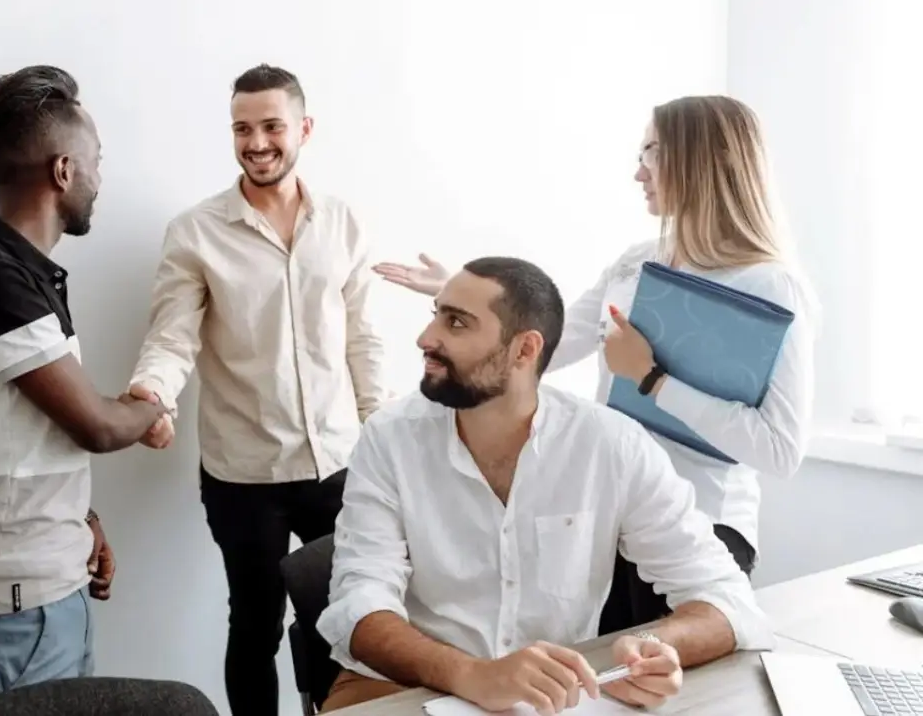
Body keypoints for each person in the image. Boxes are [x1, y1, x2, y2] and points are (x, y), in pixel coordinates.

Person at [371, 95, 815, 634]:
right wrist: (468, 306)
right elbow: (546, 345)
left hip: (702, 524)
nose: (638, 172)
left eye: (652, 152)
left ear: (701, 159)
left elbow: (779, 450)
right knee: (598, 668)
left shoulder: (769, 286)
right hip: (611, 515)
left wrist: (652, 380)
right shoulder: (637, 261)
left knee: (670, 672)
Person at [315, 257, 775, 714]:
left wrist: (657, 644)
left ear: (524, 350)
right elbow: (358, 603)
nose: (426, 338)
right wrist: (471, 674)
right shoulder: (390, 437)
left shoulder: (611, 445)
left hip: (547, 699)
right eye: (436, 315)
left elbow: (726, 598)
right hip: (396, 687)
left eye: (455, 323)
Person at [127, 64, 389, 716]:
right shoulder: (195, 232)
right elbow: (172, 337)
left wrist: (383, 433)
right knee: (254, 624)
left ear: (304, 128)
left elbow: (363, 339)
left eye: (272, 126)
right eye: (242, 129)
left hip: (338, 465)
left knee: (351, 620)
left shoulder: (343, 223)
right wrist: (151, 395)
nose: (257, 142)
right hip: (243, 475)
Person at [0, 65, 167, 716]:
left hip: (41, 602)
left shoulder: (19, 275)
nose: (100, 178)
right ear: (63, 170)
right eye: (96, 161)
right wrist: (151, 406)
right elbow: (97, 426)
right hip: (8, 619)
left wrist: (80, 521)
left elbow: (19, 436)